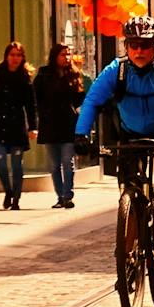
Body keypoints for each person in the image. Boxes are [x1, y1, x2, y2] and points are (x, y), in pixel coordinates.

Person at [75, 16, 154, 230]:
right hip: (129, 129)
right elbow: (92, 101)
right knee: (128, 190)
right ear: (126, 46)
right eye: (134, 45)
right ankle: (128, 250)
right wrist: (81, 134)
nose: (139, 51)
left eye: (146, 45)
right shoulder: (116, 70)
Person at [0, 42, 38, 210]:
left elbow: (30, 104)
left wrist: (32, 127)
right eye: (12, 55)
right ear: (7, 56)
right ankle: (8, 190)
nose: (15, 59)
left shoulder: (24, 78)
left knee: (16, 164)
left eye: (18, 55)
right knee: (0, 161)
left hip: (16, 126)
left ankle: (16, 198)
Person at [34, 43, 86, 208]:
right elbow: (36, 97)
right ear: (55, 56)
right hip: (50, 125)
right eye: (63, 54)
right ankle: (60, 196)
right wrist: (41, 114)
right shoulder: (44, 74)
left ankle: (67, 195)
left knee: (67, 161)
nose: (66, 58)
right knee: (54, 164)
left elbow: (80, 99)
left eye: (68, 54)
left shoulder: (74, 74)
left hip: (69, 124)